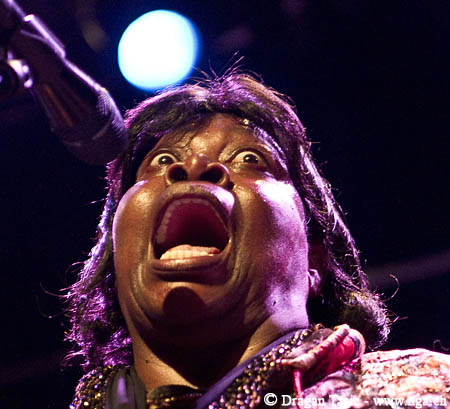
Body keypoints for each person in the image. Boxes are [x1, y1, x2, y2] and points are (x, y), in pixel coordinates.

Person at [66, 73, 450, 409]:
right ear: (115, 258)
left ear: (314, 261)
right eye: (162, 160)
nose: (193, 166)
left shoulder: (419, 392)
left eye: (249, 158)